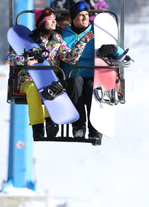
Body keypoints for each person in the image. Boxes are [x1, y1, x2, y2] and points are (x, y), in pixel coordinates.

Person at [5, 7, 94, 139]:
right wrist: (24, 60)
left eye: (54, 19)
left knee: (50, 86)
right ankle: (38, 127)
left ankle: (51, 122)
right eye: (50, 19)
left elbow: (70, 58)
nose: (54, 22)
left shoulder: (57, 40)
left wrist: (82, 43)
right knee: (33, 88)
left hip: (49, 79)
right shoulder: (28, 40)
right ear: (42, 22)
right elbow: (10, 58)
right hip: (28, 80)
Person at [60, 1, 102, 142]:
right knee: (75, 81)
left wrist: (114, 50)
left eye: (87, 15)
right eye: (81, 15)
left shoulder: (96, 33)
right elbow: (66, 57)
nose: (85, 18)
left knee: (91, 87)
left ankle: (94, 128)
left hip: (91, 75)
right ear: (73, 18)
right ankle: (79, 126)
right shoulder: (64, 36)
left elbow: (114, 46)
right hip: (73, 76)